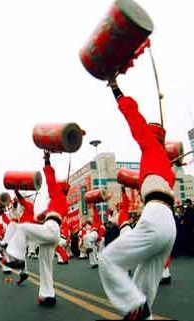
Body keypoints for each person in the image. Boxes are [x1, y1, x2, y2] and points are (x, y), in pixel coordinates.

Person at [98, 79, 176, 320]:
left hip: (154, 218)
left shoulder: (151, 148)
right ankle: (140, 308)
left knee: (108, 259)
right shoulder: (166, 168)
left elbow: (133, 117)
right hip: (168, 226)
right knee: (143, 292)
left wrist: (115, 88)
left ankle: (134, 306)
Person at [5, 151, 69, 307]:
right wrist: (17, 194)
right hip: (52, 230)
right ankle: (48, 296)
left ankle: (19, 260)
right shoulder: (61, 203)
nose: (50, 191)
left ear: (59, 189)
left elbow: (50, 181)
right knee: (45, 265)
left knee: (21, 228)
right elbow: (42, 217)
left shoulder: (57, 196)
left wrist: (47, 162)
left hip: (51, 229)